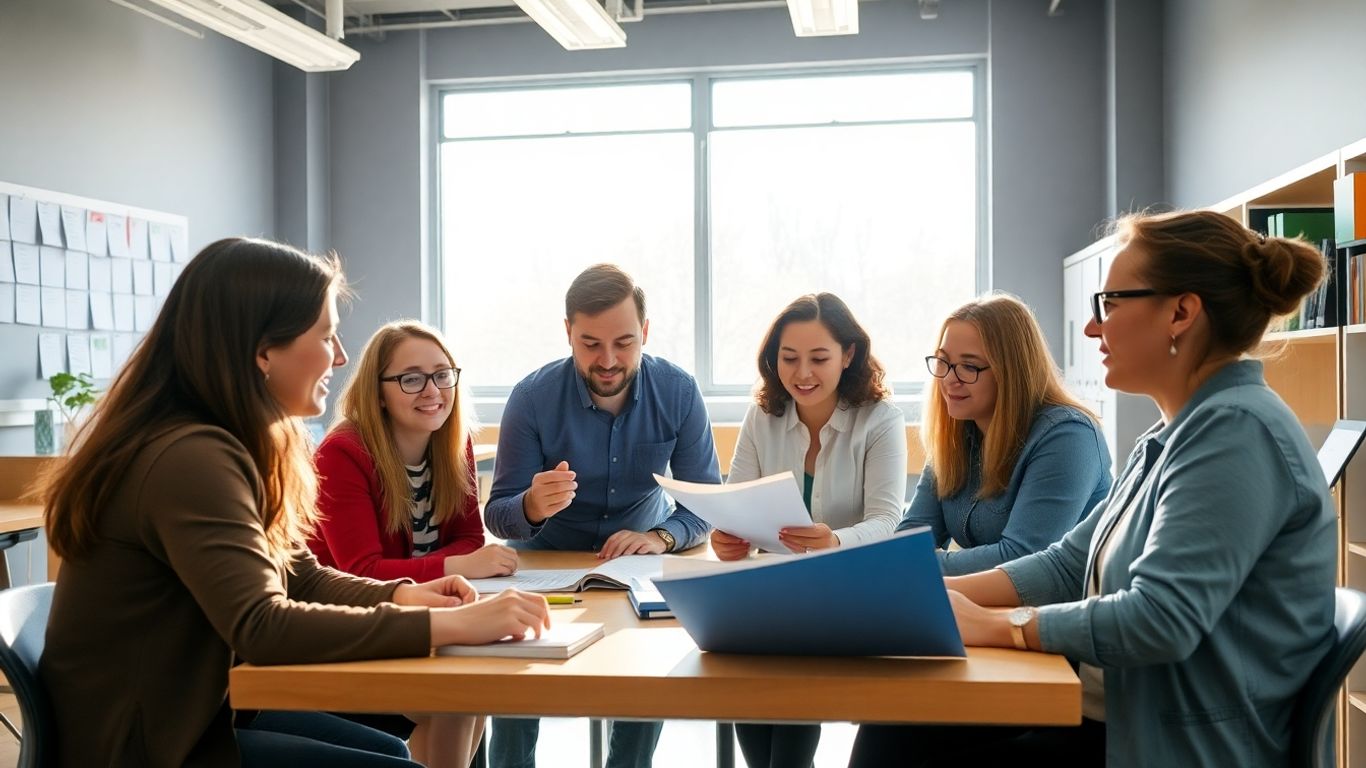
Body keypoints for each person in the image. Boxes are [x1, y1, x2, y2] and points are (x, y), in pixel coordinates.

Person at [38, 237, 550, 767]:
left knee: (391, 751)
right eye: (327, 336)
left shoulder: (230, 442)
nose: (342, 356)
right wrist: (451, 625)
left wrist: (404, 596)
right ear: (263, 353)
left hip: (198, 710)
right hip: (146, 743)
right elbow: (262, 626)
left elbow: (298, 576)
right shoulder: (191, 456)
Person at [849, 210, 1336, 767]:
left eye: (1109, 305)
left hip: (1163, 746)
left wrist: (999, 626)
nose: (1091, 329)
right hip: (1109, 717)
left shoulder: (1235, 433)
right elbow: (1062, 566)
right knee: (896, 728)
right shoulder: (1171, 435)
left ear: (1181, 313)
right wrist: (923, 595)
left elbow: (1160, 619)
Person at [484, 263, 722, 768]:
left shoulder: (678, 392)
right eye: (590, 343)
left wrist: (660, 536)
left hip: (636, 563)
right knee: (515, 673)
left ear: (646, 333)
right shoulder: (531, 398)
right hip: (544, 564)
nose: (608, 360)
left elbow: (705, 504)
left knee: (649, 668)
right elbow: (499, 514)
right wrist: (529, 505)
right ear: (568, 331)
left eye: (624, 342)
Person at [310, 320, 521, 768]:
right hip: (348, 628)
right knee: (453, 696)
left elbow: (468, 539)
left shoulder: (452, 439)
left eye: (443, 374)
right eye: (411, 379)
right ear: (378, 391)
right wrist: (454, 567)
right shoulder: (341, 453)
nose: (433, 390)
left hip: (419, 614)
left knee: (472, 688)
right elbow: (361, 571)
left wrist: (443, 565)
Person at [710, 292, 906, 768]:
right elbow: (735, 505)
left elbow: (887, 519)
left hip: (845, 593)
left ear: (849, 355)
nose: (802, 374)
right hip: (770, 594)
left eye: (819, 358)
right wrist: (726, 537)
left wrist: (836, 540)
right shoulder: (762, 417)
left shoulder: (881, 421)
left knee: (786, 750)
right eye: (789, 358)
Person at [897, 292, 1112, 576]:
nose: (950, 378)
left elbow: (1023, 557)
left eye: (969, 366)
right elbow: (909, 539)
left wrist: (918, 563)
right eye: (943, 362)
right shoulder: (958, 431)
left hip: (1054, 612)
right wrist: (905, 559)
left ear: (1011, 372)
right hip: (989, 607)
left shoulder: (1069, 436)